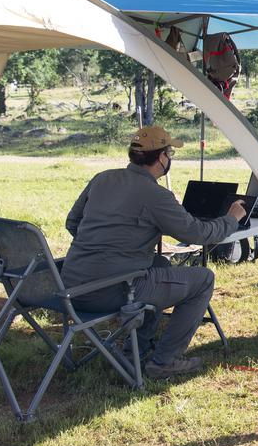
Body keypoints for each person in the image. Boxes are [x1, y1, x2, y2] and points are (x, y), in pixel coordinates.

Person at [64, 125, 246, 379]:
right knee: (203, 279)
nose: (169, 159)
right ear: (162, 157)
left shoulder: (102, 178)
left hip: (71, 286)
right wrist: (231, 219)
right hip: (109, 290)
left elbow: (73, 223)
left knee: (159, 263)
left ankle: (136, 348)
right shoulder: (156, 195)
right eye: (170, 153)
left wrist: (111, 245)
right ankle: (164, 362)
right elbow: (198, 234)